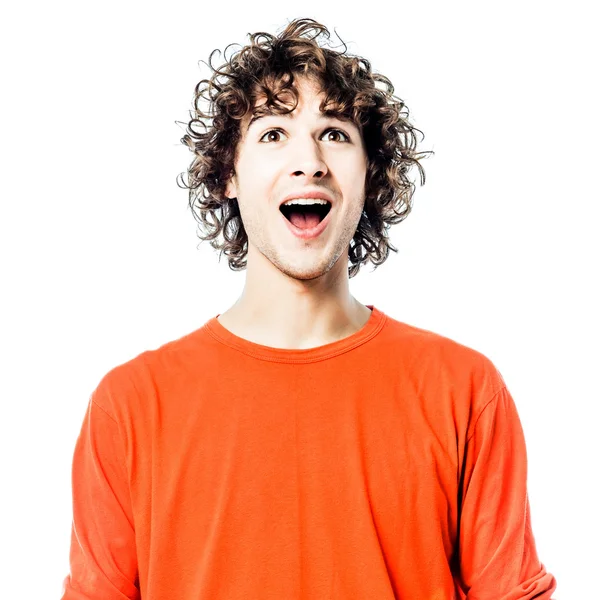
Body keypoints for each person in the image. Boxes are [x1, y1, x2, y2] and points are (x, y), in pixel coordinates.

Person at [61, 17, 557, 600]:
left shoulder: (465, 392)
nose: (310, 161)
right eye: (273, 134)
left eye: (335, 133)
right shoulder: (131, 407)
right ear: (228, 175)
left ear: (370, 174)